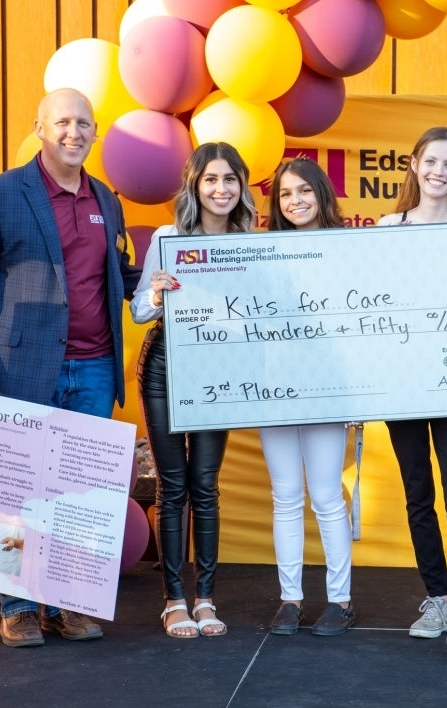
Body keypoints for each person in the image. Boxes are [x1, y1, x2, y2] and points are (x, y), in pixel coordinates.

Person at [0, 87, 142, 648]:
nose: (73, 132)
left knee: (78, 495)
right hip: (18, 370)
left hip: (95, 367)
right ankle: (19, 607)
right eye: (62, 122)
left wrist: (156, 283)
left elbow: (115, 274)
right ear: (39, 128)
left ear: (95, 133)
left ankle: (67, 605)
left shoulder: (106, 199)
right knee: (17, 491)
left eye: (83, 123)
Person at [131, 142, 255, 639]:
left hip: (217, 371)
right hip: (164, 366)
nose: (221, 189)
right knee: (172, 485)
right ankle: (173, 600)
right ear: (194, 185)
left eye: (230, 179)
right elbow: (140, 310)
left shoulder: (251, 241)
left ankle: (205, 598)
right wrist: (157, 292)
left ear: (242, 187)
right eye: (211, 179)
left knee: (206, 485)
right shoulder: (168, 236)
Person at [377, 127, 447, 665]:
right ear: (414, 164)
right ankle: (438, 600)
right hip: (403, 384)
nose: (440, 172)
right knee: (418, 494)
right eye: (432, 161)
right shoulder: (385, 228)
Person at [260, 157, 355, 637]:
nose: (295, 201)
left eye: (304, 191)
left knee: (326, 497)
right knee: (285, 497)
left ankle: (340, 601)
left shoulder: (345, 249)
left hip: (327, 390)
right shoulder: (261, 253)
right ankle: (290, 600)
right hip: (273, 390)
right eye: (285, 194)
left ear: (322, 194)